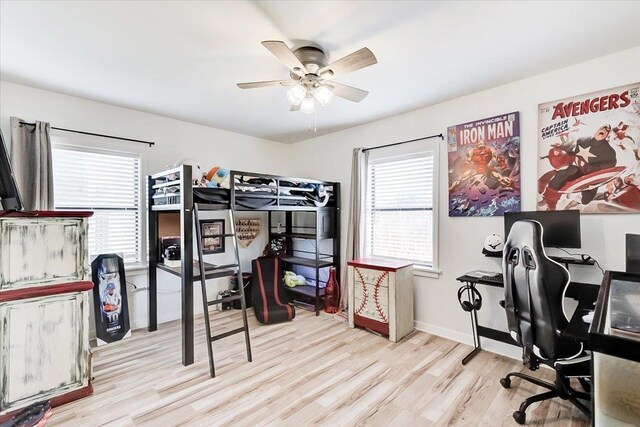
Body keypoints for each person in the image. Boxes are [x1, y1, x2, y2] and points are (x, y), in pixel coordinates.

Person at [541, 125, 617, 210]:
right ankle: (549, 200)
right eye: (602, 127)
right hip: (578, 171)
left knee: (586, 200)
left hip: (592, 177)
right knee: (567, 172)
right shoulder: (583, 140)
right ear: (597, 129)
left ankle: (577, 202)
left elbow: (609, 169)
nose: (603, 130)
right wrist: (557, 151)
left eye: (607, 130)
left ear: (607, 135)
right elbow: (569, 150)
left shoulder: (609, 152)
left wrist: (607, 182)